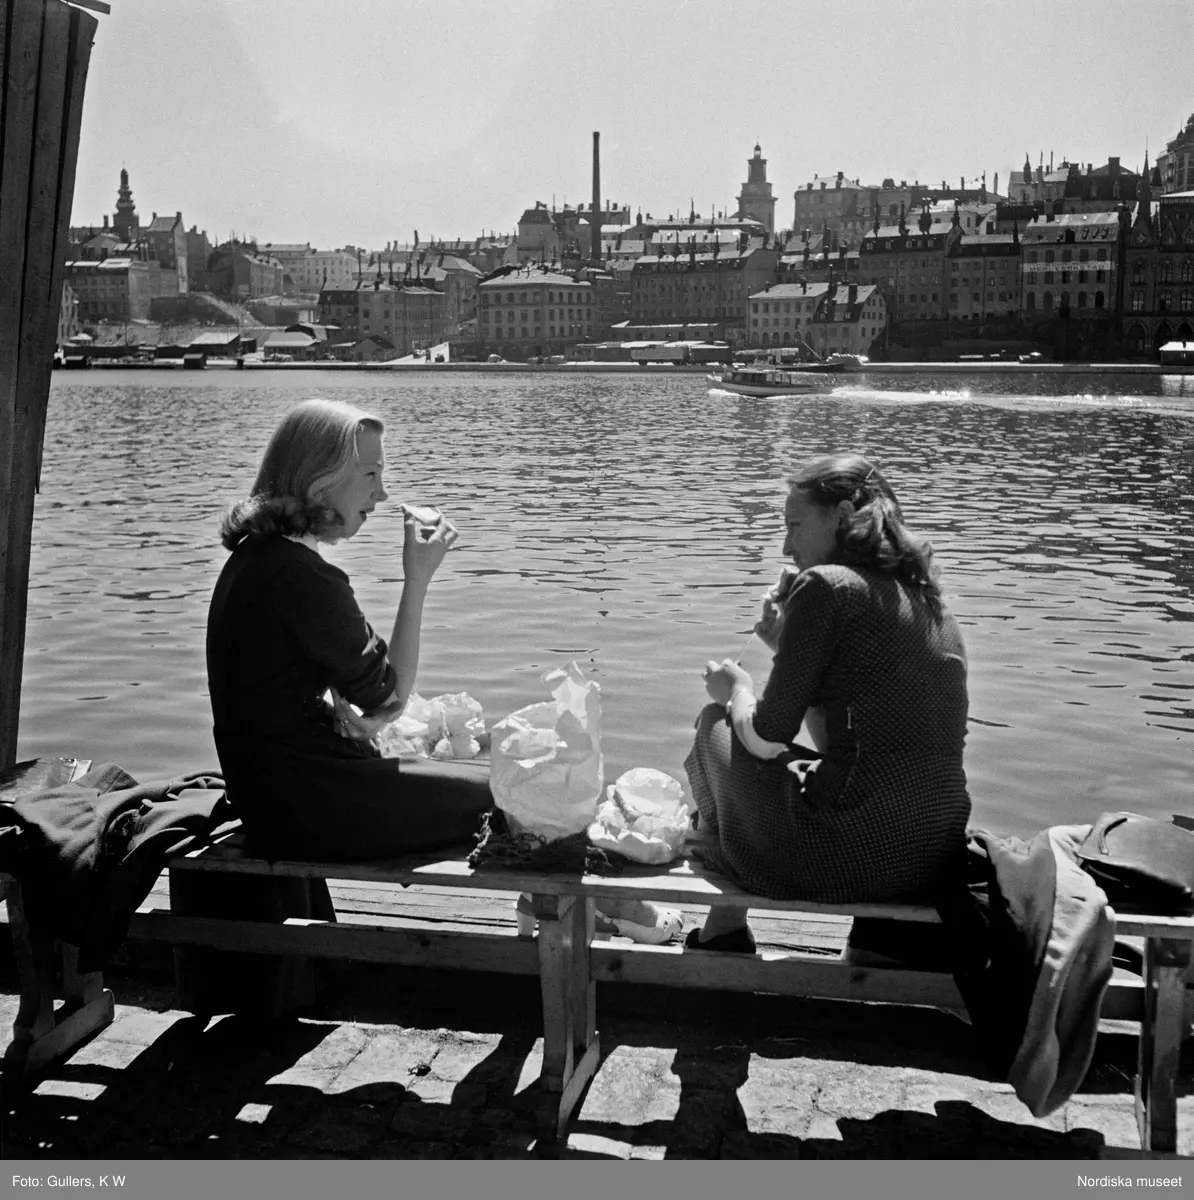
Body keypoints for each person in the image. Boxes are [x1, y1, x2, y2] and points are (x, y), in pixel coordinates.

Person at [683, 453, 971, 953]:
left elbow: (767, 735)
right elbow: (846, 737)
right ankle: (873, 942)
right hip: (929, 854)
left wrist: (737, 690)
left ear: (841, 516)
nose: (786, 545)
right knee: (800, 766)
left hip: (848, 857)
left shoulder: (827, 586)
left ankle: (724, 924)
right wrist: (785, 648)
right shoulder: (927, 598)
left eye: (795, 525)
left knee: (714, 727)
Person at [206, 397, 492, 861]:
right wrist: (417, 579)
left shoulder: (256, 558)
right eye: (370, 475)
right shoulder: (299, 575)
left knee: (473, 766)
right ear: (321, 483)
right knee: (513, 790)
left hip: (267, 795)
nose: (381, 495)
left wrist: (361, 714)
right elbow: (390, 694)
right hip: (306, 805)